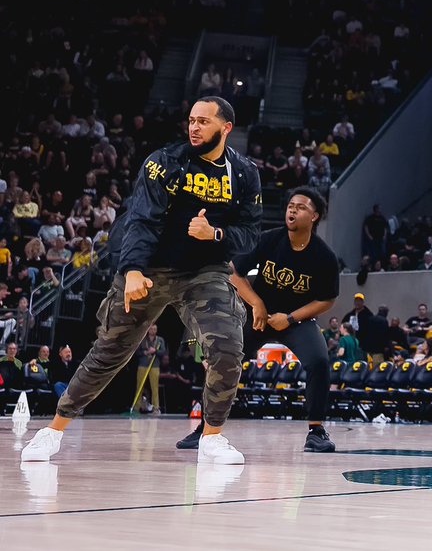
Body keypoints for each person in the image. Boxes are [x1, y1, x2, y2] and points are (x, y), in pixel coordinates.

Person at [21, 97, 262, 465]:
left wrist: (214, 234)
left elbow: (249, 233)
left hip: (204, 271)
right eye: (191, 120)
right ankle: (53, 430)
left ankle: (212, 437)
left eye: (203, 121)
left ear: (225, 128)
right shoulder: (164, 162)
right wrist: (133, 268)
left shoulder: (244, 174)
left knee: (227, 347)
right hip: (149, 268)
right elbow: (141, 219)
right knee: (108, 353)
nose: (194, 127)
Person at [177, 187, 339, 453]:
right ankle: (205, 428)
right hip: (258, 316)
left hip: (295, 320)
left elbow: (327, 299)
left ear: (314, 216)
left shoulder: (324, 256)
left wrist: (289, 318)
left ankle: (317, 431)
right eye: (290, 205)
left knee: (320, 361)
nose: (292, 210)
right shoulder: (270, 239)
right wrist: (257, 304)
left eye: (300, 207)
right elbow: (234, 273)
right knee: (225, 360)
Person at [132, 323, 167, 414]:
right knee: (139, 386)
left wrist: (155, 351)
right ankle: (137, 407)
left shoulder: (160, 340)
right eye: (151, 329)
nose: (153, 331)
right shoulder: (142, 339)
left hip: (154, 365)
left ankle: (156, 407)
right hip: (143, 365)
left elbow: (163, 352)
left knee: (154, 387)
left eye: (155, 329)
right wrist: (145, 352)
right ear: (148, 330)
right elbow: (137, 352)